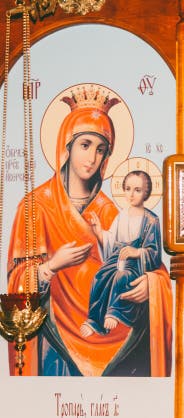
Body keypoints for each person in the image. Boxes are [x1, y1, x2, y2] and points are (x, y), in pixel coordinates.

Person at [6, 86, 173, 377]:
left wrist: (151, 284)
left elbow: (153, 265)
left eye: (101, 149)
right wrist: (51, 267)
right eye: (85, 145)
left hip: (118, 341)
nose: (92, 157)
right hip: (55, 345)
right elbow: (17, 283)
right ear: (66, 146)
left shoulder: (111, 211)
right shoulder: (36, 206)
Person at [80, 170, 163, 337]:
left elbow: (154, 254)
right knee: (99, 276)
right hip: (117, 258)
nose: (131, 194)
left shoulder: (151, 220)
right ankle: (94, 320)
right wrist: (100, 233)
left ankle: (114, 313)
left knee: (122, 277)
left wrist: (137, 252)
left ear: (146, 193)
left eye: (137, 190)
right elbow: (112, 241)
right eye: (128, 188)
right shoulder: (121, 216)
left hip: (136, 264)